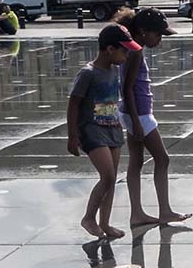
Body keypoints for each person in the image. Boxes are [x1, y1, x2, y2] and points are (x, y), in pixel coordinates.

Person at [112, 8, 191, 228]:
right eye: (158, 35)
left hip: (131, 112)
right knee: (162, 159)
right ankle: (164, 211)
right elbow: (127, 89)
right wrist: (137, 123)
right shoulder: (135, 52)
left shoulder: (131, 48)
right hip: (139, 114)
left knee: (136, 162)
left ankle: (137, 213)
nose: (160, 40)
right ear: (143, 31)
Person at [67, 23, 141, 238]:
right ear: (110, 49)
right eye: (124, 50)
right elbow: (73, 104)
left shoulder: (115, 70)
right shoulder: (87, 73)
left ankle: (105, 223)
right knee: (107, 176)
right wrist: (73, 136)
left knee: (112, 178)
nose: (126, 55)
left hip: (112, 129)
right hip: (91, 130)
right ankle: (88, 217)